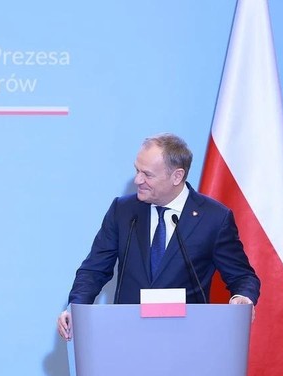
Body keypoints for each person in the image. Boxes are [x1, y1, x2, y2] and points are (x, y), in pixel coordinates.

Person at [57, 133, 259, 340]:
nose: (138, 180)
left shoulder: (214, 218)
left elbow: (242, 276)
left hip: (186, 340)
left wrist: (243, 297)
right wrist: (76, 308)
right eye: (137, 170)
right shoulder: (123, 210)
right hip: (127, 337)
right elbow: (94, 270)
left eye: (147, 174)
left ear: (177, 176)